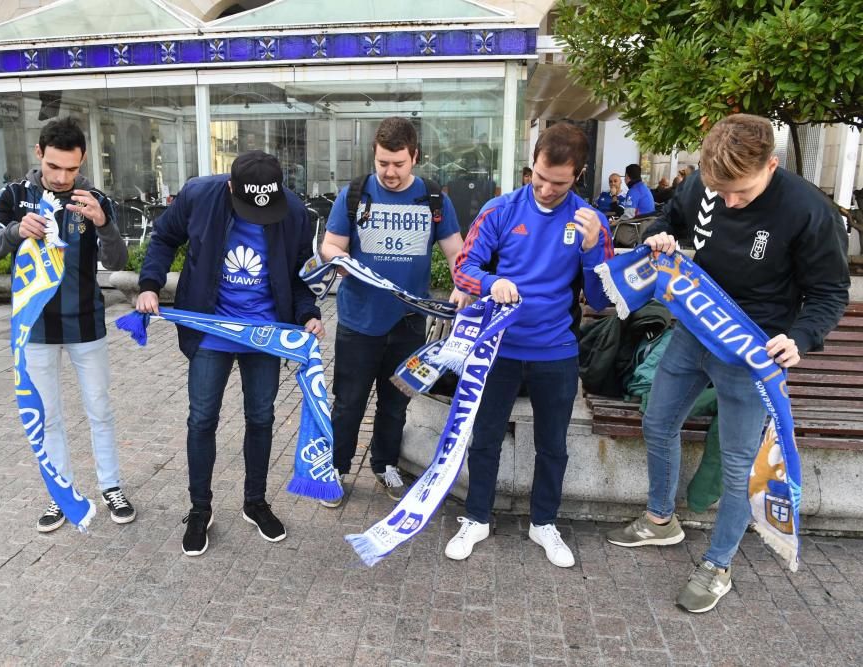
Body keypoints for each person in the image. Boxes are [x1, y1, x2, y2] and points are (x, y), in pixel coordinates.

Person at [606, 114, 850, 613]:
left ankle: (718, 564)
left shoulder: (808, 211)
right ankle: (660, 520)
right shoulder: (706, 182)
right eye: (722, 191)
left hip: (752, 349)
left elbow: (830, 292)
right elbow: (670, 219)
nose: (730, 201)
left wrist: (800, 337)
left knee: (739, 464)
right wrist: (658, 237)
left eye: (741, 192)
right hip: (696, 328)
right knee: (657, 420)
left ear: (772, 165)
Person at [135, 150, 323, 556]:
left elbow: (300, 273)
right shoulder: (199, 196)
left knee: (262, 416)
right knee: (202, 418)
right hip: (211, 329)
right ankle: (199, 509)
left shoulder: (292, 211)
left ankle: (255, 502)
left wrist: (307, 313)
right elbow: (165, 237)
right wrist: (149, 284)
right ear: (232, 187)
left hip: (264, 333)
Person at [448, 123, 614, 567]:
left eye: (557, 183)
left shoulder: (588, 221)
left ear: (577, 175)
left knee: (553, 444)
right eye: (539, 176)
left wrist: (595, 248)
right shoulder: (500, 210)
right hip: (498, 348)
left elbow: (601, 299)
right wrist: (492, 281)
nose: (545, 188)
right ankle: (476, 517)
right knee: (484, 437)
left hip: (556, 352)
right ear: (533, 162)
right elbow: (463, 268)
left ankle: (545, 523)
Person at [0, 116, 135, 533]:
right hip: (36, 329)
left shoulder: (94, 197)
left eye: (72, 168)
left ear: (82, 162)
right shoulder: (14, 194)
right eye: (54, 167)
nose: (63, 177)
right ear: (39, 155)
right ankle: (60, 494)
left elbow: (117, 262)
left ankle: (111, 486)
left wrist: (105, 223)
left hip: (86, 325)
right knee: (47, 416)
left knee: (100, 409)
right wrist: (14, 232)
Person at [319, 116, 466, 507]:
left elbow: (457, 253)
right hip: (358, 322)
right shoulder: (354, 194)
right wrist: (340, 260)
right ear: (374, 155)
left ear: (414, 157)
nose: (389, 172)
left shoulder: (434, 199)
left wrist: (462, 283)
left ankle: (385, 463)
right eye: (382, 162)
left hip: (408, 324)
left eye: (398, 164)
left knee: (397, 400)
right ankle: (336, 466)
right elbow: (330, 246)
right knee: (348, 401)